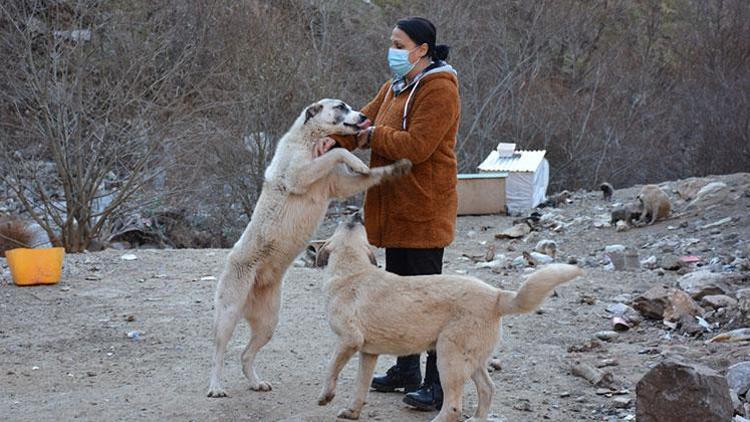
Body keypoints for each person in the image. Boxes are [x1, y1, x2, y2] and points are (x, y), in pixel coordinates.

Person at [315, 16, 460, 411]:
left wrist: (371, 135)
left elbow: (418, 146)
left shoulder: (440, 89)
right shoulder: (397, 86)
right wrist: (334, 137)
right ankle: (405, 370)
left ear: (422, 49)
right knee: (397, 295)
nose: (392, 51)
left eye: (399, 44)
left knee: (428, 299)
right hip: (393, 208)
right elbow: (362, 119)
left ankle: (438, 385)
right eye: (392, 43)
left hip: (423, 207)